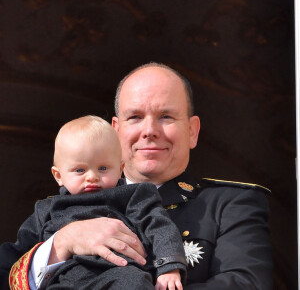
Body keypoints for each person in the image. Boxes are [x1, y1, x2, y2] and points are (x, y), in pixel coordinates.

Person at [7, 62, 273, 289]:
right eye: (135, 117)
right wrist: (62, 243)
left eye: (166, 116)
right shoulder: (56, 209)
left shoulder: (232, 204)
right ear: (115, 131)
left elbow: (246, 284)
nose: (149, 131)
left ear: (192, 131)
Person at [1, 115, 187, 290]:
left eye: (103, 168)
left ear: (120, 168)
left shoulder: (134, 196)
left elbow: (159, 227)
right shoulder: (46, 209)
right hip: (67, 280)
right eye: (80, 170)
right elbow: (14, 260)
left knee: (135, 282)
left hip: (120, 273)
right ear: (58, 176)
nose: (92, 177)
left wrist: (169, 266)